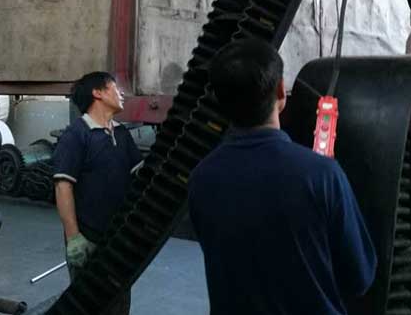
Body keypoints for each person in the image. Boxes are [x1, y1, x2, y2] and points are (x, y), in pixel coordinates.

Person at [188, 39, 377, 315]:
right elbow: (359, 278)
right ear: (280, 92)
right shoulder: (322, 175)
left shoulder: (201, 180)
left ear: (219, 101)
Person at [52, 72, 143, 314]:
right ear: (98, 93)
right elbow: (63, 186)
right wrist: (74, 238)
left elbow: (140, 174)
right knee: (90, 305)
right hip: (89, 239)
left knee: (119, 303)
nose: (121, 92)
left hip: (118, 238)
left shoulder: (121, 134)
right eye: (115, 87)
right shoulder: (76, 135)